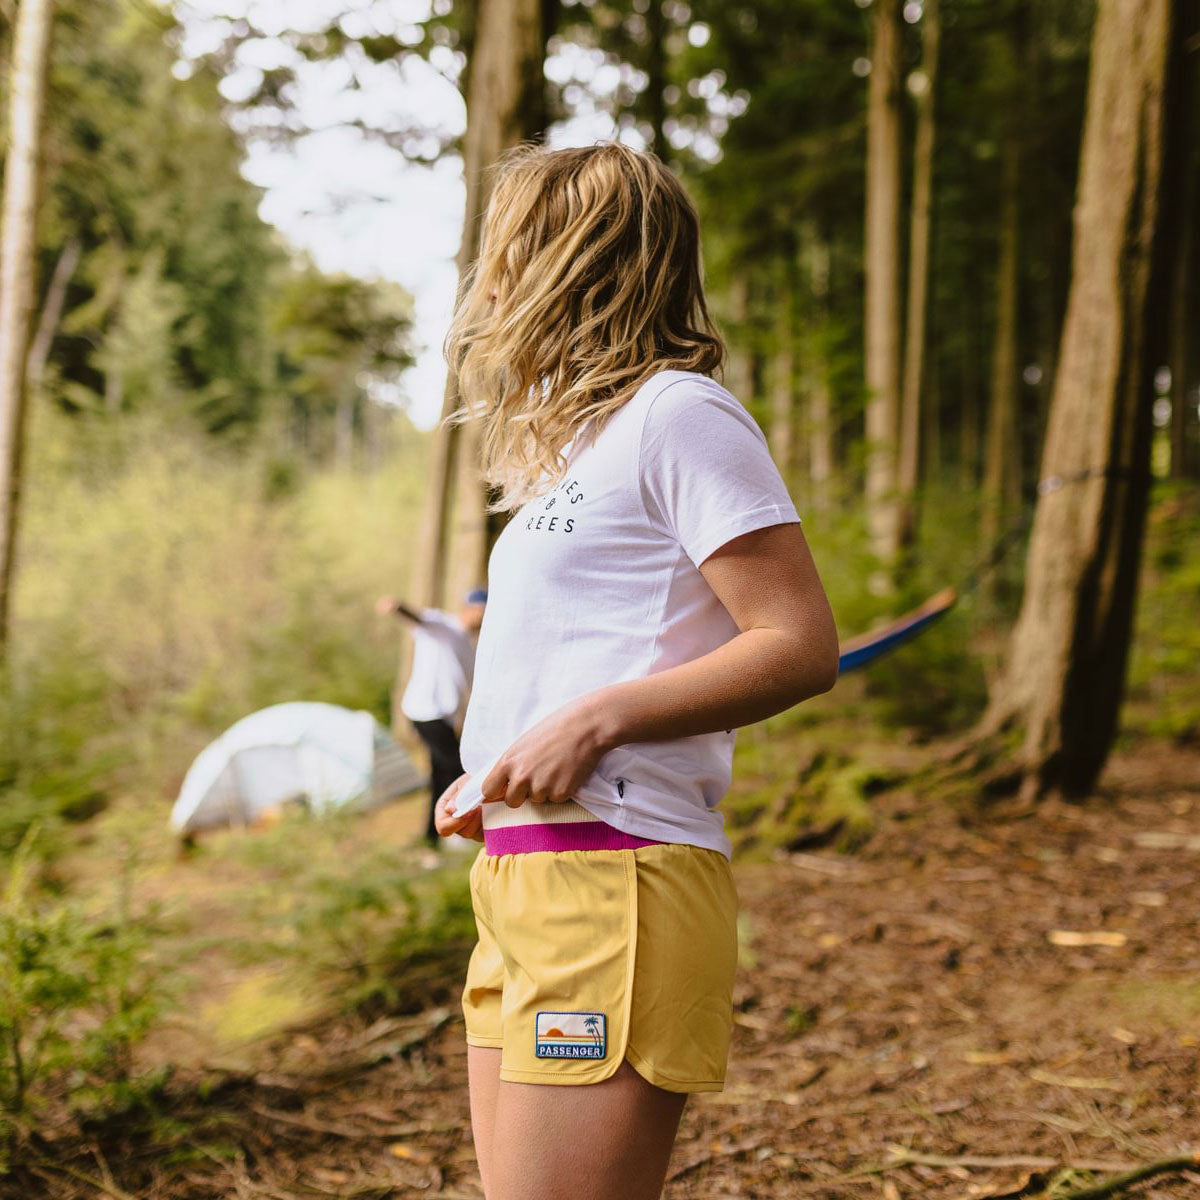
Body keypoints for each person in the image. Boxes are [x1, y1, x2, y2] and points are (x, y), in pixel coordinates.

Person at [432, 143, 840, 1200]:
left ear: (576, 257)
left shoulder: (678, 414)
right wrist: (493, 770)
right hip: (525, 873)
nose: (492, 275)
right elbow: (590, 638)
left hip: (617, 874)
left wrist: (596, 721)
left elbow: (796, 642)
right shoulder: (575, 449)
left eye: (512, 246)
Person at [377, 589, 487, 848]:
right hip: (425, 712)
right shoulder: (443, 626)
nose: (483, 618)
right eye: (481, 611)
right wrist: (397, 606)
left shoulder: (470, 648)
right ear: (469, 609)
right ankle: (459, 832)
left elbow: (471, 689)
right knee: (457, 769)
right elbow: (417, 618)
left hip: (446, 718)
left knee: (440, 774)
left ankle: (432, 839)